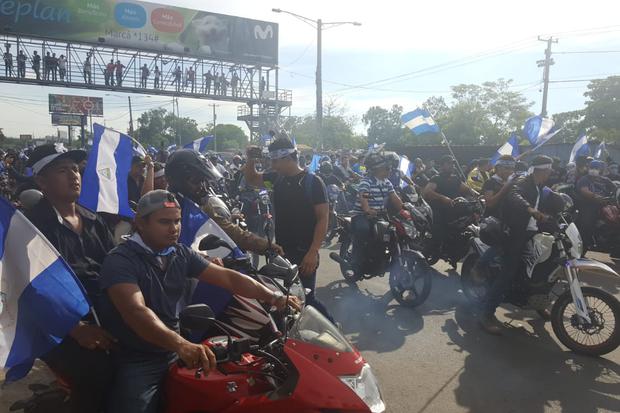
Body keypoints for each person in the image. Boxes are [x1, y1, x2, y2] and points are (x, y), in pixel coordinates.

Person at [99, 190, 300, 413]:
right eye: (164, 222)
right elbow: (136, 312)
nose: (173, 228)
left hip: (177, 347)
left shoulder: (178, 253)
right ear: (141, 223)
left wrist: (274, 296)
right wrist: (181, 344)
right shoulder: (121, 261)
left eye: (177, 221)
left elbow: (228, 278)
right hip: (141, 357)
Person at [25, 144, 115, 413]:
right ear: (42, 181)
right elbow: (34, 289)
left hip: (105, 312)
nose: (74, 175)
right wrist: (75, 328)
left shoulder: (94, 220)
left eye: (76, 169)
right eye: (63, 170)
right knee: (98, 373)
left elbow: (116, 265)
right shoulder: (32, 227)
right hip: (57, 326)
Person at [243, 137, 334, 322]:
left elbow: (323, 218)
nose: (273, 166)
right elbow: (252, 179)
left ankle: (333, 331)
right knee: (286, 297)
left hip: (305, 253)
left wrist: (313, 252)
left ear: (288, 158)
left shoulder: (313, 182)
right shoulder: (276, 180)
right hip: (282, 251)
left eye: (275, 161)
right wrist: (251, 158)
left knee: (306, 299)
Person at [480, 155, 554, 335]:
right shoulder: (522, 181)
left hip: (531, 230)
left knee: (541, 266)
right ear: (542, 170)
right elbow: (515, 195)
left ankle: (538, 302)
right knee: (508, 273)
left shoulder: (538, 185)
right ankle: (486, 313)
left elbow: (552, 196)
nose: (551, 173)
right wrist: (530, 209)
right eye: (549, 170)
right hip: (513, 231)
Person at [165, 149, 282, 256]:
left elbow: (226, 228)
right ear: (179, 181)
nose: (203, 187)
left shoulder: (200, 205)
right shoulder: (167, 208)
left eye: (204, 181)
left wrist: (265, 245)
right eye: (196, 181)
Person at [350, 153, 403, 278]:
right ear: (378, 169)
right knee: (364, 230)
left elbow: (395, 198)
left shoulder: (387, 182)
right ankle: (355, 264)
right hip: (362, 215)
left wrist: (405, 208)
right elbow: (364, 197)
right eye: (387, 168)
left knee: (393, 231)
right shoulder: (366, 182)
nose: (390, 170)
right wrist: (367, 209)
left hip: (379, 215)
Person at [423, 155, 478, 258]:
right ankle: (425, 256)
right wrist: (443, 198)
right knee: (438, 234)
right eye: (449, 163)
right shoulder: (437, 178)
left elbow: (467, 189)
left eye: (452, 163)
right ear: (442, 165)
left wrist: (477, 194)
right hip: (439, 210)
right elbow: (427, 192)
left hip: (455, 208)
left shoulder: (455, 178)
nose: (452, 165)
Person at [574, 159, 616, 250]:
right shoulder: (584, 179)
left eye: (596, 168)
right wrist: (596, 197)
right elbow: (584, 191)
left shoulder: (605, 180)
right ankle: (586, 244)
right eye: (592, 168)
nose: (594, 170)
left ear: (600, 170)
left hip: (606, 204)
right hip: (589, 205)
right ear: (588, 168)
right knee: (587, 224)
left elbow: (615, 188)